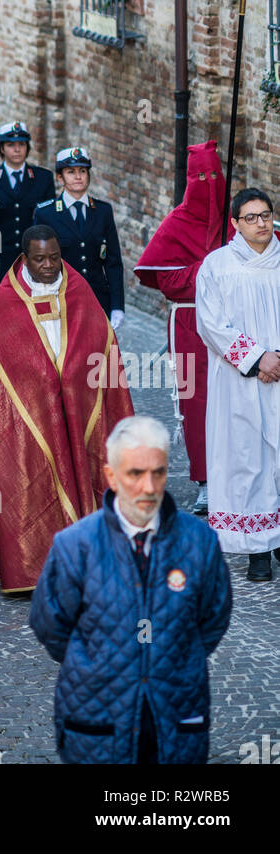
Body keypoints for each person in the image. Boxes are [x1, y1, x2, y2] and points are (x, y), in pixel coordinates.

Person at [29, 416, 232, 765]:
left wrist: (173, 656)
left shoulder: (201, 542)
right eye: (135, 474)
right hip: (96, 719)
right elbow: (50, 624)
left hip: (177, 712)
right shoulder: (74, 545)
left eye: (159, 473)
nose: (149, 488)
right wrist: (99, 664)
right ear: (111, 476)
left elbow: (213, 618)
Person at [0, 225, 133, 592]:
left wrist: (71, 378)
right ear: (24, 258)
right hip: (24, 418)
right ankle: (31, 567)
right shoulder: (7, 300)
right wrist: (41, 381)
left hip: (78, 409)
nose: (49, 266)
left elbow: (101, 345)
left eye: (54, 257)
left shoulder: (79, 289)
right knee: (25, 485)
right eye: (39, 259)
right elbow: (1, 360)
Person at [135, 141, 230, 515]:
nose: (208, 184)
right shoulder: (177, 222)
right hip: (189, 322)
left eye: (214, 176)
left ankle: (235, 476)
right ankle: (205, 479)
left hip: (232, 324)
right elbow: (165, 278)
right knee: (197, 402)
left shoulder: (236, 219)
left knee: (234, 398)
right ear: (190, 182)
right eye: (200, 177)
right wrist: (211, 273)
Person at [196, 186, 280, 582]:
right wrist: (256, 358)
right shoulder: (217, 266)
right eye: (251, 217)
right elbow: (210, 324)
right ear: (235, 223)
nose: (261, 223)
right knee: (247, 459)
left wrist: (277, 358)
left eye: (266, 215)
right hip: (238, 381)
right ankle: (257, 551)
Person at [34, 146, 125, 326]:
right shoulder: (46, 213)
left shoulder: (102, 211)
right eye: (71, 172)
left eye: (83, 171)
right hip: (62, 300)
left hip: (97, 300)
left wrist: (117, 306)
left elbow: (113, 262)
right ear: (60, 178)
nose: (78, 177)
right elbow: (38, 263)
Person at [0, 121, 55, 273]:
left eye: (22, 144)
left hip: (34, 257)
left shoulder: (43, 178)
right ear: (2, 148)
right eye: (11, 145)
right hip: (1, 257)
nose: (17, 149)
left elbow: (48, 222)